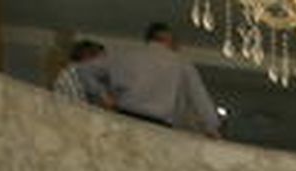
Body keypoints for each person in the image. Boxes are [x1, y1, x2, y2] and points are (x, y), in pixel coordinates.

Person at [80, 22, 222, 135]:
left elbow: (84, 70)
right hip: (158, 128)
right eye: (174, 41)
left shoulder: (127, 56)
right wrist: (212, 127)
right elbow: (199, 97)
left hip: (122, 119)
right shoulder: (181, 64)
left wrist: (104, 96)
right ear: (168, 39)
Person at [52, 40, 108, 105]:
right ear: (86, 57)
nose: (102, 65)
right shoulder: (71, 75)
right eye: (100, 59)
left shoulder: (76, 73)